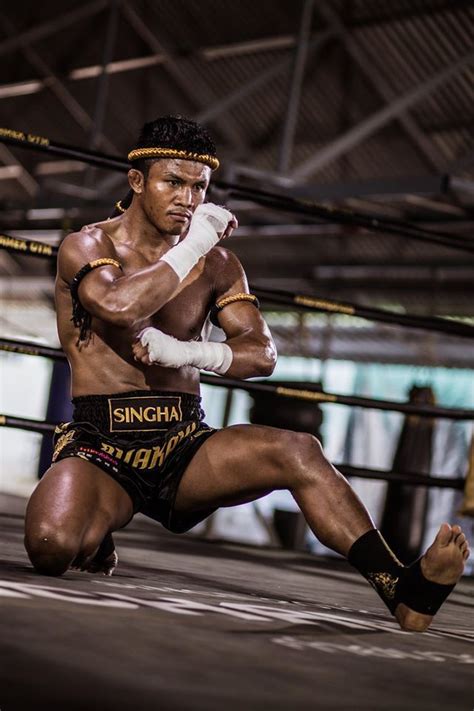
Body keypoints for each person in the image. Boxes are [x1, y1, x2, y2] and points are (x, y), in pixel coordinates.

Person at [24, 115, 470, 632]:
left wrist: (188, 353)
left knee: (299, 450)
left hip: (182, 440)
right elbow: (120, 306)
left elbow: (262, 354)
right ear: (137, 181)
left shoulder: (218, 265)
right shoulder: (87, 246)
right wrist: (193, 247)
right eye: (174, 182)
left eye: (200, 187)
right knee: (52, 546)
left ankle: (403, 589)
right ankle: (97, 527)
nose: (188, 200)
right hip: (103, 444)